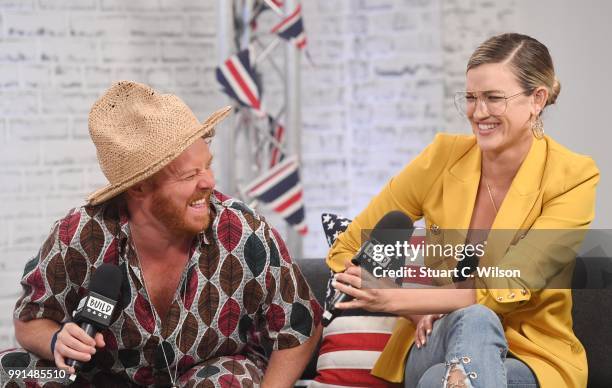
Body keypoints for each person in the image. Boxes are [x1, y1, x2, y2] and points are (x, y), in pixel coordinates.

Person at [1, 81, 322, 387]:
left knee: (227, 377)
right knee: (8, 369)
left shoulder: (244, 233)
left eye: (207, 166)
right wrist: (57, 340)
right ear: (139, 187)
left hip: (208, 379)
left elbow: (301, 328)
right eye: (189, 175)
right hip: (102, 380)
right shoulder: (80, 234)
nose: (209, 182)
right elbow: (31, 318)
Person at [327, 33, 599, 388]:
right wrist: (414, 308)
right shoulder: (441, 158)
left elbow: (511, 287)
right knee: (474, 318)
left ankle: (457, 377)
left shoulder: (573, 177)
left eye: (493, 98)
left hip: (533, 355)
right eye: (471, 98)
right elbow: (346, 250)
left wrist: (395, 296)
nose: (478, 112)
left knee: (436, 381)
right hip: (436, 339)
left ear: (537, 99)